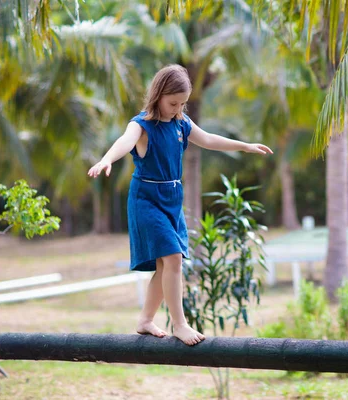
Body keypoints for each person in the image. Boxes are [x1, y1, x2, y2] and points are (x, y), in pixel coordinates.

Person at [87, 64, 273, 345]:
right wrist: (107, 159)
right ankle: (180, 324)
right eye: (173, 103)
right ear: (159, 95)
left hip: (172, 199)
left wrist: (245, 146)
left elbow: (208, 139)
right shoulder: (141, 125)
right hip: (146, 199)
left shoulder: (181, 124)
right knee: (173, 258)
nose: (177, 109)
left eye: (183, 104)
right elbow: (124, 142)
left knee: (166, 266)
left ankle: (145, 320)